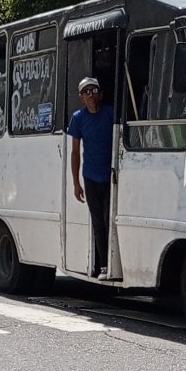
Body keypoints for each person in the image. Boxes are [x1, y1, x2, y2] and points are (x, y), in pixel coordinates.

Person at [68, 77, 114, 280]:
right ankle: (103, 265)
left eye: (93, 90)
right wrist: (76, 182)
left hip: (111, 176)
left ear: (100, 94)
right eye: (86, 92)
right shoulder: (78, 118)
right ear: (80, 97)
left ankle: (112, 263)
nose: (90, 95)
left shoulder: (111, 114)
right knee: (98, 223)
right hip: (90, 177)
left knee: (108, 218)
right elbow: (75, 152)